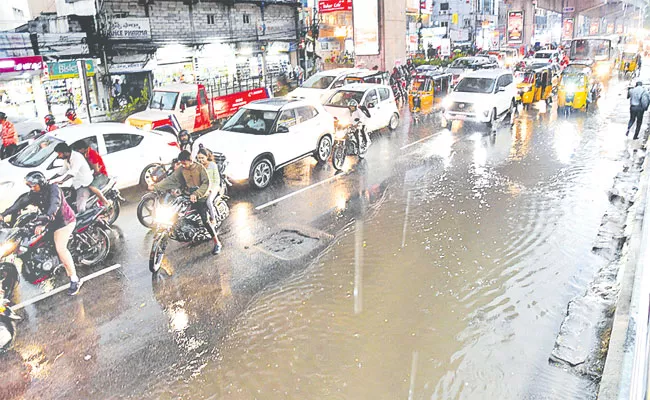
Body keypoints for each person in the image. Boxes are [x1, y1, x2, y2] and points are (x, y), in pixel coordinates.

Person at [0, 172, 82, 295]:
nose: (32, 188)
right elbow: (21, 203)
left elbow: (54, 207)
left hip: (63, 222)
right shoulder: (35, 194)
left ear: (41, 183)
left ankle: (75, 279)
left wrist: (43, 224)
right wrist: (4, 214)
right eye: (30, 186)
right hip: (49, 221)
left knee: (61, 249)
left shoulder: (54, 189)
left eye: (34, 185)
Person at [148, 150, 223, 255]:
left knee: (205, 221)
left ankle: (217, 242)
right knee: (175, 211)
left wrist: (196, 194)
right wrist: (155, 186)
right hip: (187, 195)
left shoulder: (200, 168)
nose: (183, 165)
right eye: (181, 163)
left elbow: (206, 184)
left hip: (200, 197)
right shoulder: (181, 169)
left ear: (190, 160)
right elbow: (171, 179)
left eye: (184, 163)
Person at [50, 143, 94, 213]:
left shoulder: (76, 157)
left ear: (65, 152)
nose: (59, 156)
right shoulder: (67, 159)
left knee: (80, 209)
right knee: (67, 201)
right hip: (76, 183)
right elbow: (63, 171)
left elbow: (73, 172)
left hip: (84, 184)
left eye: (59, 153)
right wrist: (50, 179)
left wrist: (62, 181)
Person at [71, 141, 111, 207]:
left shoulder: (92, 154)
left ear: (83, 148)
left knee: (91, 187)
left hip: (101, 175)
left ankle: (105, 202)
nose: (78, 151)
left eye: (79, 149)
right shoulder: (84, 155)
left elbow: (97, 170)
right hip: (93, 174)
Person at [195, 148, 221, 225]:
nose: (200, 160)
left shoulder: (212, 165)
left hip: (214, 187)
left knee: (208, 202)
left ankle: (213, 219)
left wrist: (211, 189)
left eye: (202, 158)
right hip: (203, 188)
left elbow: (216, 180)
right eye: (199, 158)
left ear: (207, 157)